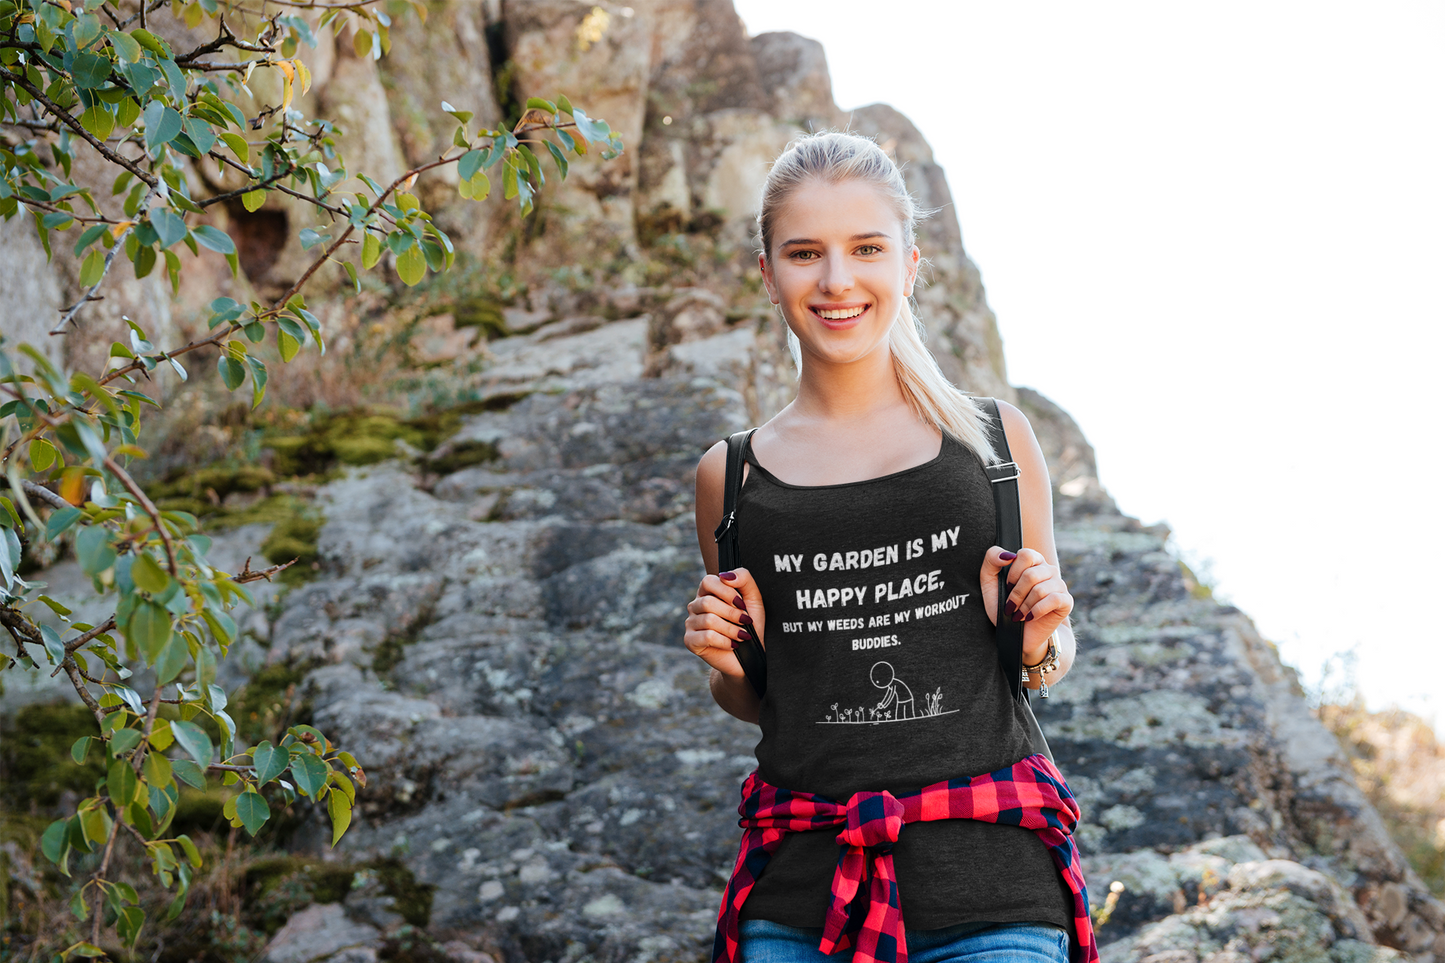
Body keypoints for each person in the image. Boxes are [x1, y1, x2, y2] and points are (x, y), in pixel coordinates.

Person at [683, 131, 1090, 963]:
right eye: (804, 253)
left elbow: (1042, 660)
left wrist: (1041, 635)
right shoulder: (730, 476)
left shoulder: (993, 444)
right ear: (767, 273)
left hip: (990, 894)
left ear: (908, 264)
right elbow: (763, 698)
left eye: (865, 248)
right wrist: (724, 661)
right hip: (798, 899)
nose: (836, 281)